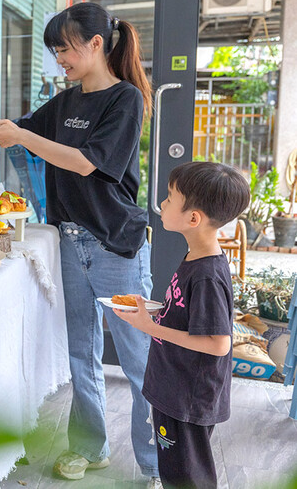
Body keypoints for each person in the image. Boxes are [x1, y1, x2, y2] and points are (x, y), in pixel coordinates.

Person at [0, 2, 160, 487]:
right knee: (81, 353)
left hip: (116, 245)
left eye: (65, 49)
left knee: (138, 360)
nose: (59, 58)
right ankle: (89, 447)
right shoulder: (65, 101)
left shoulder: (125, 99)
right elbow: (24, 134)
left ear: (96, 44)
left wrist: (21, 135)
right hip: (70, 241)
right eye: (55, 50)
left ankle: (156, 465)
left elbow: (86, 162)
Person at [114, 162, 248, 489]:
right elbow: (189, 315)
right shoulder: (196, 257)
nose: (162, 204)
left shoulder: (207, 275)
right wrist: (153, 310)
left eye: (170, 198)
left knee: (187, 477)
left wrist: (150, 327)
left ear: (193, 218)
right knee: (175, 471)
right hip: (174, 385)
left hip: (188, 396)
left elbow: (218, 343)